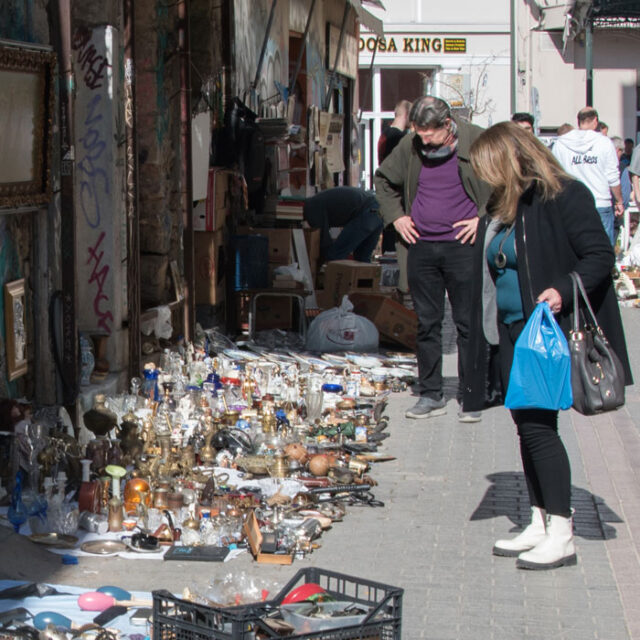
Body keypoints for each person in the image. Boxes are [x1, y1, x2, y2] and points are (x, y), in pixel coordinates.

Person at [464, 121, 632, 570]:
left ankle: (562, 531)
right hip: (511, 330)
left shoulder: (563, 196)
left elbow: (599, 255)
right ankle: (540, 520)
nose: (484, 177)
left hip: (545, 330)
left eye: (488, 167)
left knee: (540, 429)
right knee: (526, 427)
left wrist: (560, 289)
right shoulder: (504, 203)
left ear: (510, 159)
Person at [375, 96, 491, 423]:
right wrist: (397, 217)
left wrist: (482, 219)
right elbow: (383, 180)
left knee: (468, 323)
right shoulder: (411, 145)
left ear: (447, 124)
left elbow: (505, 183)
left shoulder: (477, 140)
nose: (424, 140)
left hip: (462, 246)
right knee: (426, 323)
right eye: (419, 132)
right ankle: (430, 393)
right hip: (422, 246)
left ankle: (471, 395)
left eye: (430, 133)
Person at [552, 107, 623, 245]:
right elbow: (613, 177)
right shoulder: (604, 143)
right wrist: (619, 201)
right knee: (603, 250)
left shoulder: (561, 144)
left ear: (579, 122)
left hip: (571, 204)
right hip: (600, 202)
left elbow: (554, 175)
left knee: (574, 248)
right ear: (595, 121)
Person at [378, 100, 413, 303]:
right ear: (406, 115)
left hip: (391, 197)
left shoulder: (385, 133)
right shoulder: (398, 138)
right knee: (394, 249)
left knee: (390, 247)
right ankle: (397, 292)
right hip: (397, 199)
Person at [302, 186, 383, 263]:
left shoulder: (311, 208)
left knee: (335, 256)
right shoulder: (319, 201)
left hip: (369, 210)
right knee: (362, 259)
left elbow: (324, 243)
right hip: (379, 209)